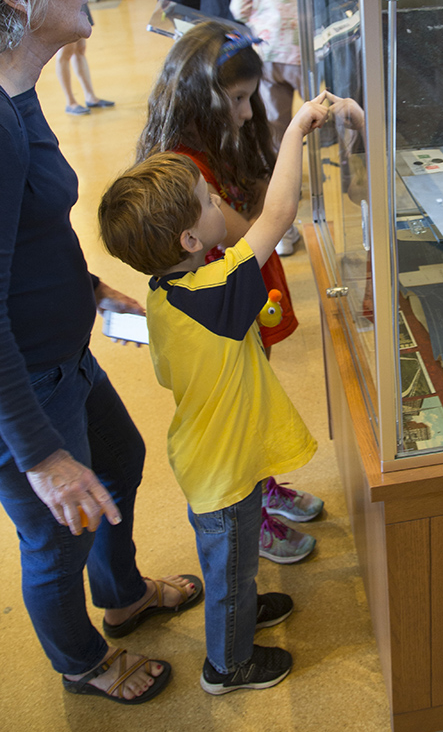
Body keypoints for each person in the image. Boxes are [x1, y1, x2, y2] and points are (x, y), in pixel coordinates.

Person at [0, 0, 202, 706]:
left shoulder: (21, 90)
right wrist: (41, 454)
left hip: (62, 355)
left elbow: (25, 235)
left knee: (118, 462)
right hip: (25, 384)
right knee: (54, 535)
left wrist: (86, 288)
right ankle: (82, 663)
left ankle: (121, 600)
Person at [98, 92, 329, 694]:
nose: (217, 205)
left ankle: (244, 616)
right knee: (228, 570)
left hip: (214, 455)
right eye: (207, 204)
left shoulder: (168, 292)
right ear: (189, 241)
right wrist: (298, 128)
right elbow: (275, 220)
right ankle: (228, 665)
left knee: (237, 559)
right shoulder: (216, 291)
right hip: (221, 468)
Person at [136, 17, 325, 562]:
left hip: (244, 291)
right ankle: (252, 511)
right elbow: (260, 222)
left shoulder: (220, 139)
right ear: (203, 99)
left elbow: (259, 199)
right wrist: (281, 161)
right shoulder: (184, 165)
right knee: (241, 411)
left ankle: (263, 487)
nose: (246, 111)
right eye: (238, 100)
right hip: (226, 303)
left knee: (256, 391)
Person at [229, 0, 312, 258]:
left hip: (266, 55)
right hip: (313, 53)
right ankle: (363, 219)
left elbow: (239, 6)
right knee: (339, 129)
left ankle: (283, 234)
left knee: (275, 139)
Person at [55, 0, 115, 115]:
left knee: (80, 48)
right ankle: (70, 101)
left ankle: (90, 96)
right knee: (65, 52)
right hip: (65, 1)